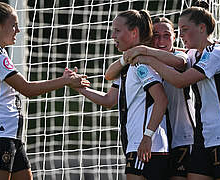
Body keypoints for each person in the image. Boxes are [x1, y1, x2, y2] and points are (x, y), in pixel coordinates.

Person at [125, 1, 220, 180]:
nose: (181, 34)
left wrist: (145, 55)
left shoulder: (216, 53)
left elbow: (180, 80)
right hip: (204, 137)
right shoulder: (192, 54)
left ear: (201, 28)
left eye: (184, 29)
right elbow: (174, 57)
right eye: (180, 30)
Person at [0, 1, 88, 180]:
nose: (18, 30)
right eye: (14, 25)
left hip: (9, 134)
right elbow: (27, 89)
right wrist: (65, 81)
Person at [73, 10, 170, 180]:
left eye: (117, 31)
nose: (112, 36)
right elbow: (109, 100)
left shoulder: (141, 65)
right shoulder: (128, 67)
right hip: (138, 145)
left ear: (134, 33)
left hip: (147, 146)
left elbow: (161, 100)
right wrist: (80, 87)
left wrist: (147, 136)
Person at [105, 16, 196, 180]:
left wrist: (145, 54)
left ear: (174, 37)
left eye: (166, 35)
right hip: (160, 137)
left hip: (182, 137)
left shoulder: (181, 56)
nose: (161, 40)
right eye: (156, 35)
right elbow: (109, 75)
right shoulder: (139, 62)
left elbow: (179, 64)